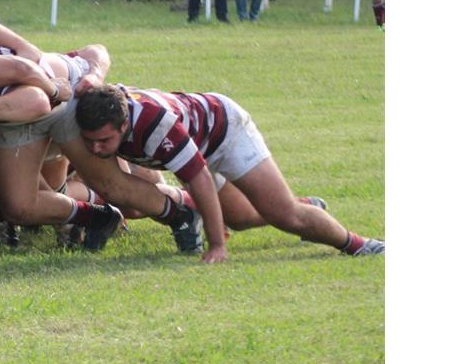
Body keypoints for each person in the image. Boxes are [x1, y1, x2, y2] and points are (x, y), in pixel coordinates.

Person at [69, 84, 384, 261]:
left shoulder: (154, 124)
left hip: (225, 132)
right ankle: (305, 205)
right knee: (241, 219)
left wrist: (217, 245)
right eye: (90, 142)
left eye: (105, 141)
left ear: (124, 125)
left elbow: (198, 179)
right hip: (197, 144)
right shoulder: (99, 107)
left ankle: (357, 244)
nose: (96, 149)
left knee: (286, 215)